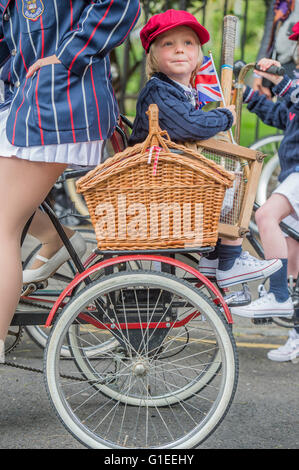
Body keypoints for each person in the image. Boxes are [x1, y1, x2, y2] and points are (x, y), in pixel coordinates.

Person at [0, 0, 141, 364]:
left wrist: (68, 57)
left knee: (2, 229)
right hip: (26, 101)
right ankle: (55, 239)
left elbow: (120, 4)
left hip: (59, 102)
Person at [129, 9, 281, 289]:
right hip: (153, 178)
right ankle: (230, 261)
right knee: (225, 179)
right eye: (168, 44)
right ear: (153, 56)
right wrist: (225, 116)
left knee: (228, 176)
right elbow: (189, 125)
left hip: (168, 171)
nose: (179, 50)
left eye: (188, 44)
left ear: (198, 54)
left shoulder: (180, 90)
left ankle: (213, 256)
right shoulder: (159, 90)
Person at [230, 23, 299, 364]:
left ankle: (277, 294)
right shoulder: (296, 88)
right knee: (291, 257)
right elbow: (284, 116)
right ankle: (295, 331)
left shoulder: (295, 86)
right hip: (293, 175)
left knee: (265, 215)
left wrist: (281, 80)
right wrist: (252, 98)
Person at [253, 0, 299, 99]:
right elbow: (268, 37)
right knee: (281, 107)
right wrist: (258, 75)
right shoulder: (279, 2)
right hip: (281, 63)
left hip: (295, 62)